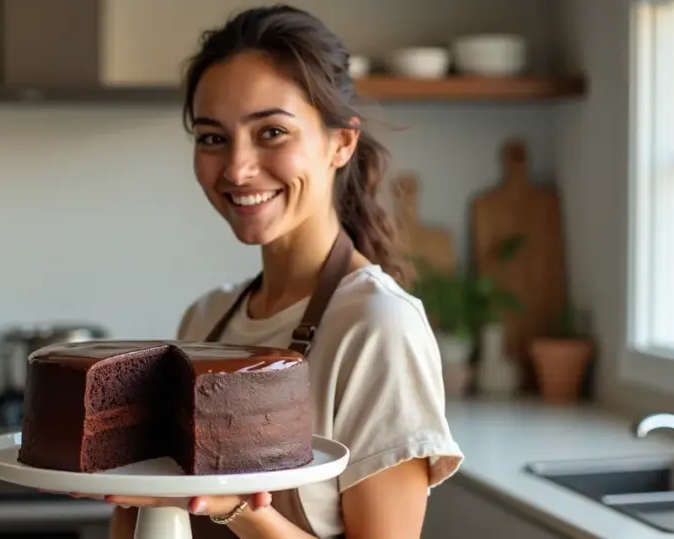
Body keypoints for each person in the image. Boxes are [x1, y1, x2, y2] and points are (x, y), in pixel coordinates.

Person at [96, 5, 464, 538]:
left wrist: (233, 505)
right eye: (212, 137)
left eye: (270, 131)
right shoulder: (205, 321)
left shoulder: (378, 328)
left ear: (341, 143)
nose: (238, 168)